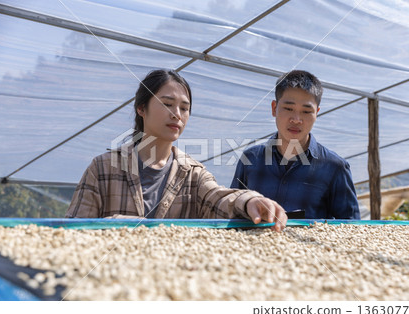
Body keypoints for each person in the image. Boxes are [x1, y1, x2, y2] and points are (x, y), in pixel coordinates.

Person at [66, 69, 287, 231]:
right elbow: (74, 229)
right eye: (167, 104)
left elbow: (218, 198)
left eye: (184, 108)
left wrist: (250, 201)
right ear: (141, 108)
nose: (177, 114)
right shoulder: (103, 168)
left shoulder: (192, 173)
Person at [230, 70, 360, 219]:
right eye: (288, 108)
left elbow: (351, 229)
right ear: (274, 108)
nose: (296, 119)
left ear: (316, 113)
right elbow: (231, 211)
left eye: (306, 111)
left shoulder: (335, 168)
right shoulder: (250, 159)